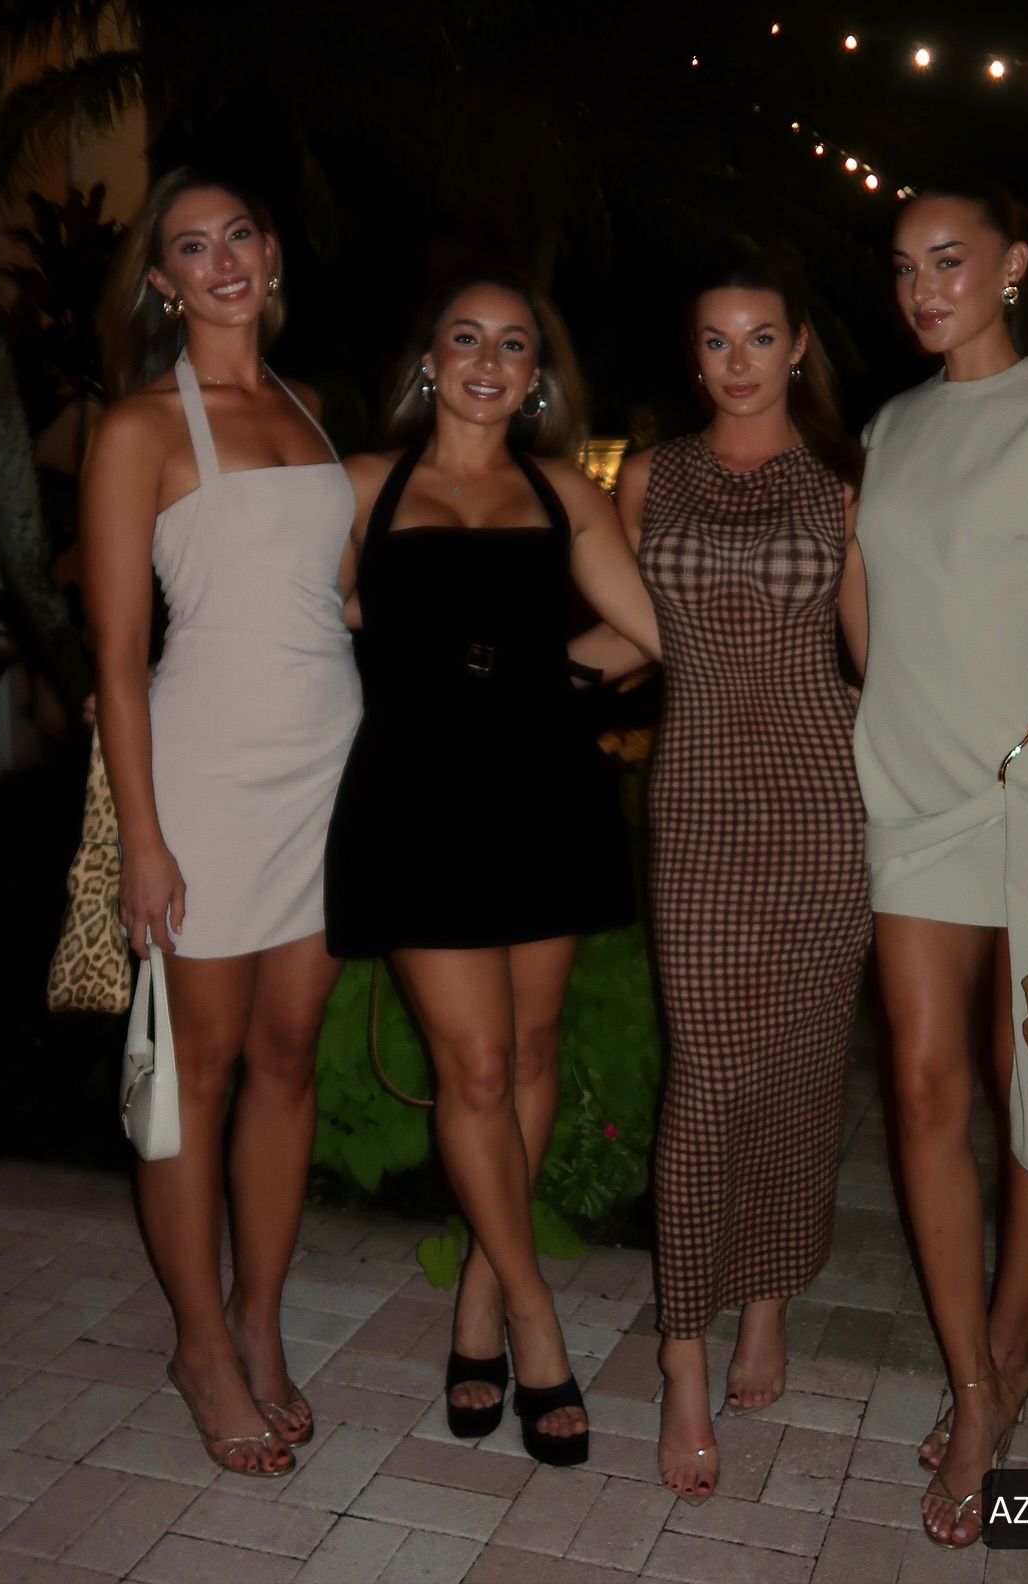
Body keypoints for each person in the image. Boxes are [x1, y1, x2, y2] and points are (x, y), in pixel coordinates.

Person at [324, 273, 660, 1466]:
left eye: (513, 345)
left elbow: (652, 629)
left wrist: (546, 685)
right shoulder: (363, 484)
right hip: (416, 801)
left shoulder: (564, 491)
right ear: (430, 361)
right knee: (470, 1067)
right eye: (464, 338)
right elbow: (301, 616)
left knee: (527, 1052)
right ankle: (532, 1313)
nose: (486, 360)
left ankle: (477, 1291)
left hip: (544, 793)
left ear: (537, 379)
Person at [855, 179, 1028, 1547]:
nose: (925, 287)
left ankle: (1009, 1347)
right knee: (920, 1086)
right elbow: (870, 607)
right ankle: (972, 1379)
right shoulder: (889, 426)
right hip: (907, 786)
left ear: (1013, 264)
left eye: (950, 260)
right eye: (906, 266)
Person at [572, 268, 873, 1503]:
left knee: (802, 1062)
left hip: (821, 801)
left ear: (797, 346)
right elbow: (630, 633)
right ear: (693, 357)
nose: (738, 361)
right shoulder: (650, 476)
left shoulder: (844, 482)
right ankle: (681, 1352)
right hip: (697, 799)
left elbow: (880, 654)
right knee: (708, 1074)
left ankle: (768, 1301)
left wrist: (1024, 642)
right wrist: (476, 671)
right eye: (715, 341)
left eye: (760, 338)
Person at [80, 168, 363, 1477]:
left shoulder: (308, 411)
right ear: (163, 282)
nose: (224, 260)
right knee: (193, 1077)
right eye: (192, 248)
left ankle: (259, 1315)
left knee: (288, 1058)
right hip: (204, 777)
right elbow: (117, 656)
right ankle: (200, 1345)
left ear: (270, 250)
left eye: (239, 234)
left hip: (327, 772)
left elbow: (337, 602)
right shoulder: (139, 427)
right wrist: (143, 838)